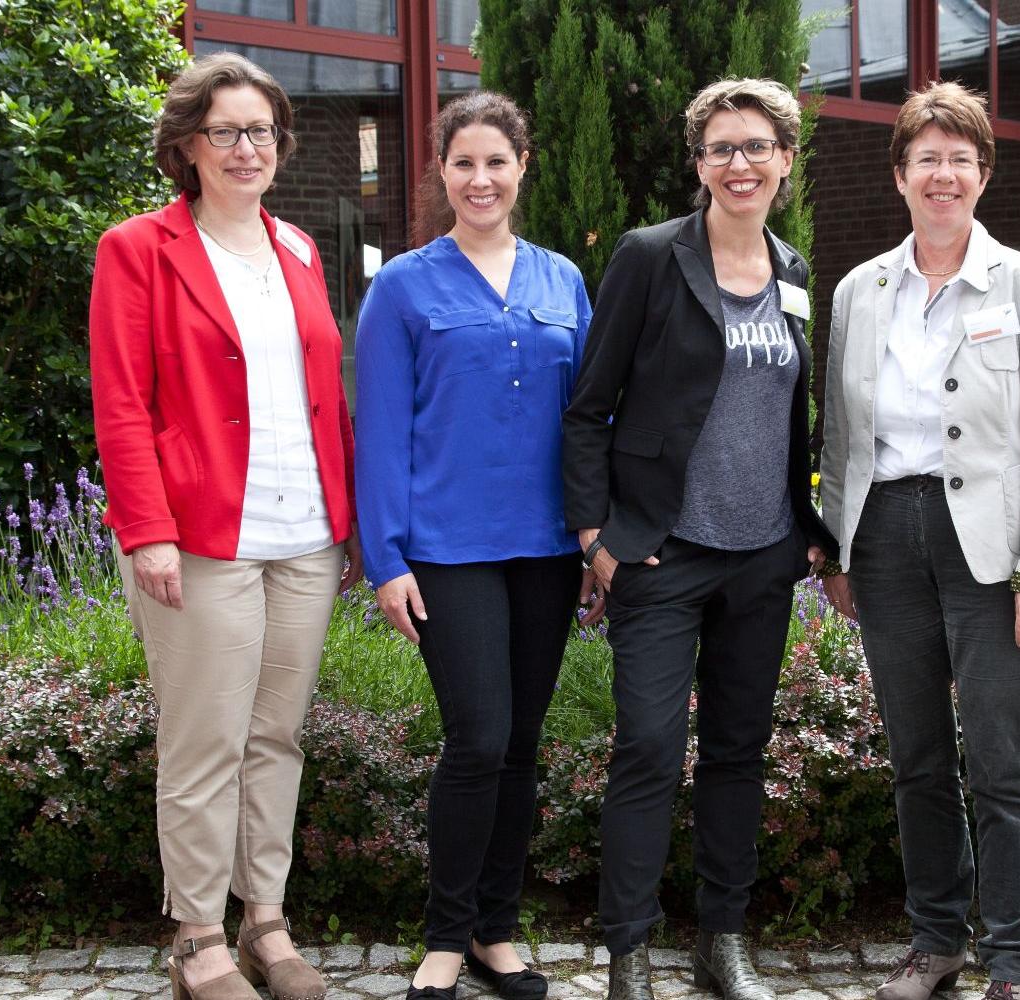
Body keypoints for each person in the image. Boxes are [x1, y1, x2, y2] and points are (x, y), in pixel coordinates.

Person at [90, 51, 362, 1000]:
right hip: (201, 535)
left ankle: (267, 924)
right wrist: (146, 528)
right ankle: (198, 936)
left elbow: (321, 392)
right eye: (225, 131)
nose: (247, 148)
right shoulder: (139, 248)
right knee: (204, 737)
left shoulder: (296, 248)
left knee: (276, 736)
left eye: (261, 131)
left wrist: (351, 518)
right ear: (187, 146)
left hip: (305, 535)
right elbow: (122, 403)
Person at [561, 76, 837, 1000]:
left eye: (757, 146)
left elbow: (797, 413)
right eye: (721, 147)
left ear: (786, 160)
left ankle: (723, 941)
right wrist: (596, 535)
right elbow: (588, 407)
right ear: (700, 163)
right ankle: (628, 951)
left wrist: (807, 531)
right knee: (645, 745)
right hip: (662, 550)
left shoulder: (796, 273)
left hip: (763, 555)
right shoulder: (649, 258)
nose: (740, 163)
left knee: (735, 750)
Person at [816, 81, 1020, 1000]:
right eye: (926, 158)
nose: (943, 175)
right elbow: (840, 435)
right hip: (886, 536)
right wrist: (841, 550)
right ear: (900, 176)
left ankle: (1016, 959)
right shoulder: (860, 291)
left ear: (982, 175)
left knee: (1003, 758)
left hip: (994, 548)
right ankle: (937, 941)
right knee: (918, 756)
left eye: (959, 160)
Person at [353, 91, 597, 1000]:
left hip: (545, 550)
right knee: (478, 737)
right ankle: (445, 937)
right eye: (464, 164)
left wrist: (593, 536)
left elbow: (586, 422)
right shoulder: (404, 286)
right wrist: (385, 558)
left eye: (496, 161)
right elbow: (377, 432)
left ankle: (499, 932)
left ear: (521, 166)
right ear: (441, 174)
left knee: (523, 743)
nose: (481, 179)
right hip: (446, 551)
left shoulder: (563, 280)